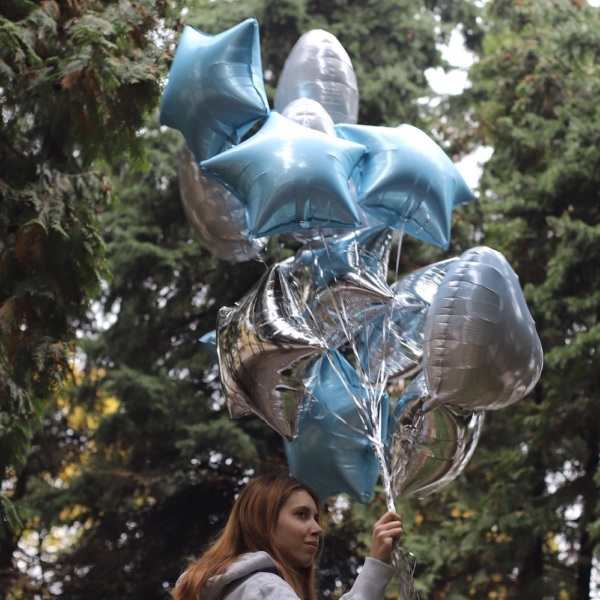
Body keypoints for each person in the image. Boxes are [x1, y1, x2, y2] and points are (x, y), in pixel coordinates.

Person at [172, 472, 403, 600]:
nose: (317, 528)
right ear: (263, 522)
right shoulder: (264, 588)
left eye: (316, 518)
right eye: (301, 515)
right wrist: (375, 567)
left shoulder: (228, 590)